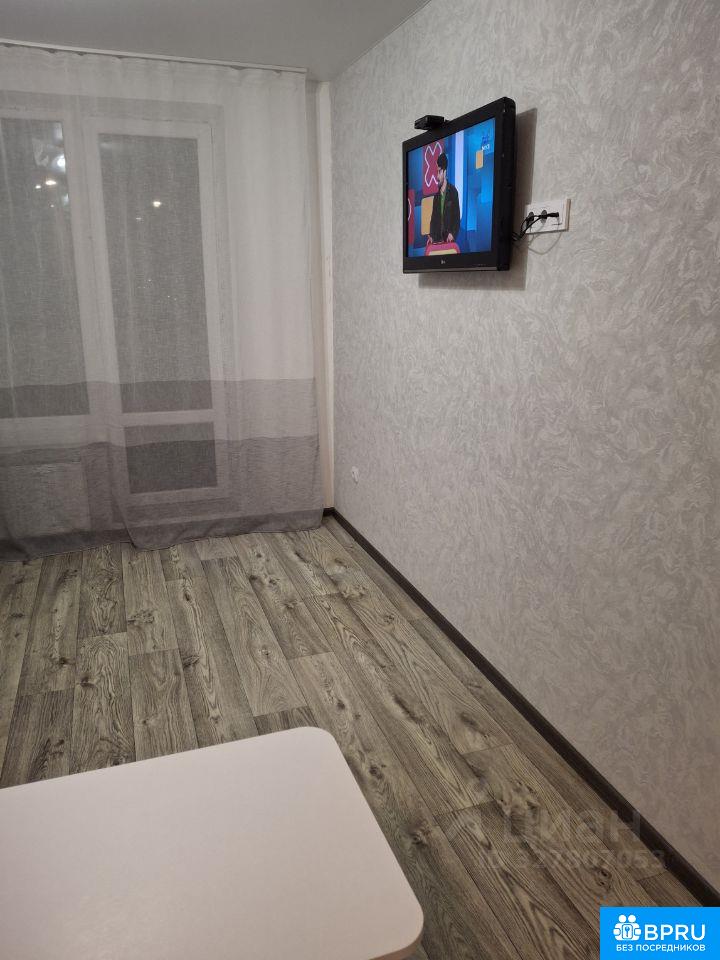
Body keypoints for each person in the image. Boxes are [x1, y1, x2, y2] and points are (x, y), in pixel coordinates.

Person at [428, 152, 460, 245]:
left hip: (449, 242)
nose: (437, 177)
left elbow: (456, 217)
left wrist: (452, 234)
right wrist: (431, 236)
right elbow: (433, 220)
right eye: (436, 172)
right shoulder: (436, 197)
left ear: (445, 172)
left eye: (439, 172)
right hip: (437, 242)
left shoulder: (453, 192)